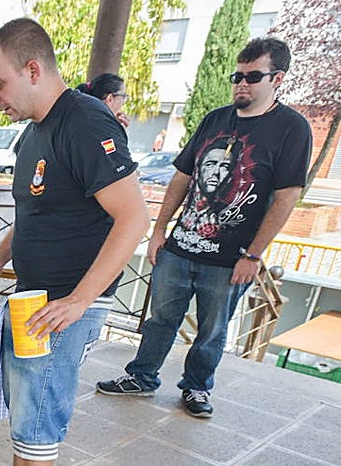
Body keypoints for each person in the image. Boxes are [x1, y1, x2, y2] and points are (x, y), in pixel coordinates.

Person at [0, 19, 149, 466]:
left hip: (67, 306)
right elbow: (33, 212)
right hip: (34, 296)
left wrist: (79, 301)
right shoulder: (36, 130)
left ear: (33, 69)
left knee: (41, 414)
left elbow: (134, 217)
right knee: (25, 402)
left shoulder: (85, 121)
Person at [96, 37, 311, 418]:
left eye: (252, 77)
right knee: (160, 319)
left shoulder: (291, 129)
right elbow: (181, 176)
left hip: (231, 259)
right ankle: (142, 377)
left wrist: (254, 255)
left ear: (277, 78)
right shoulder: (216, 118)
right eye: (237, 76)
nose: (241, 84)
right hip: (180, 247)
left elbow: (286, 197)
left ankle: (195, 388)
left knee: (211, 331)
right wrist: (160, 230)